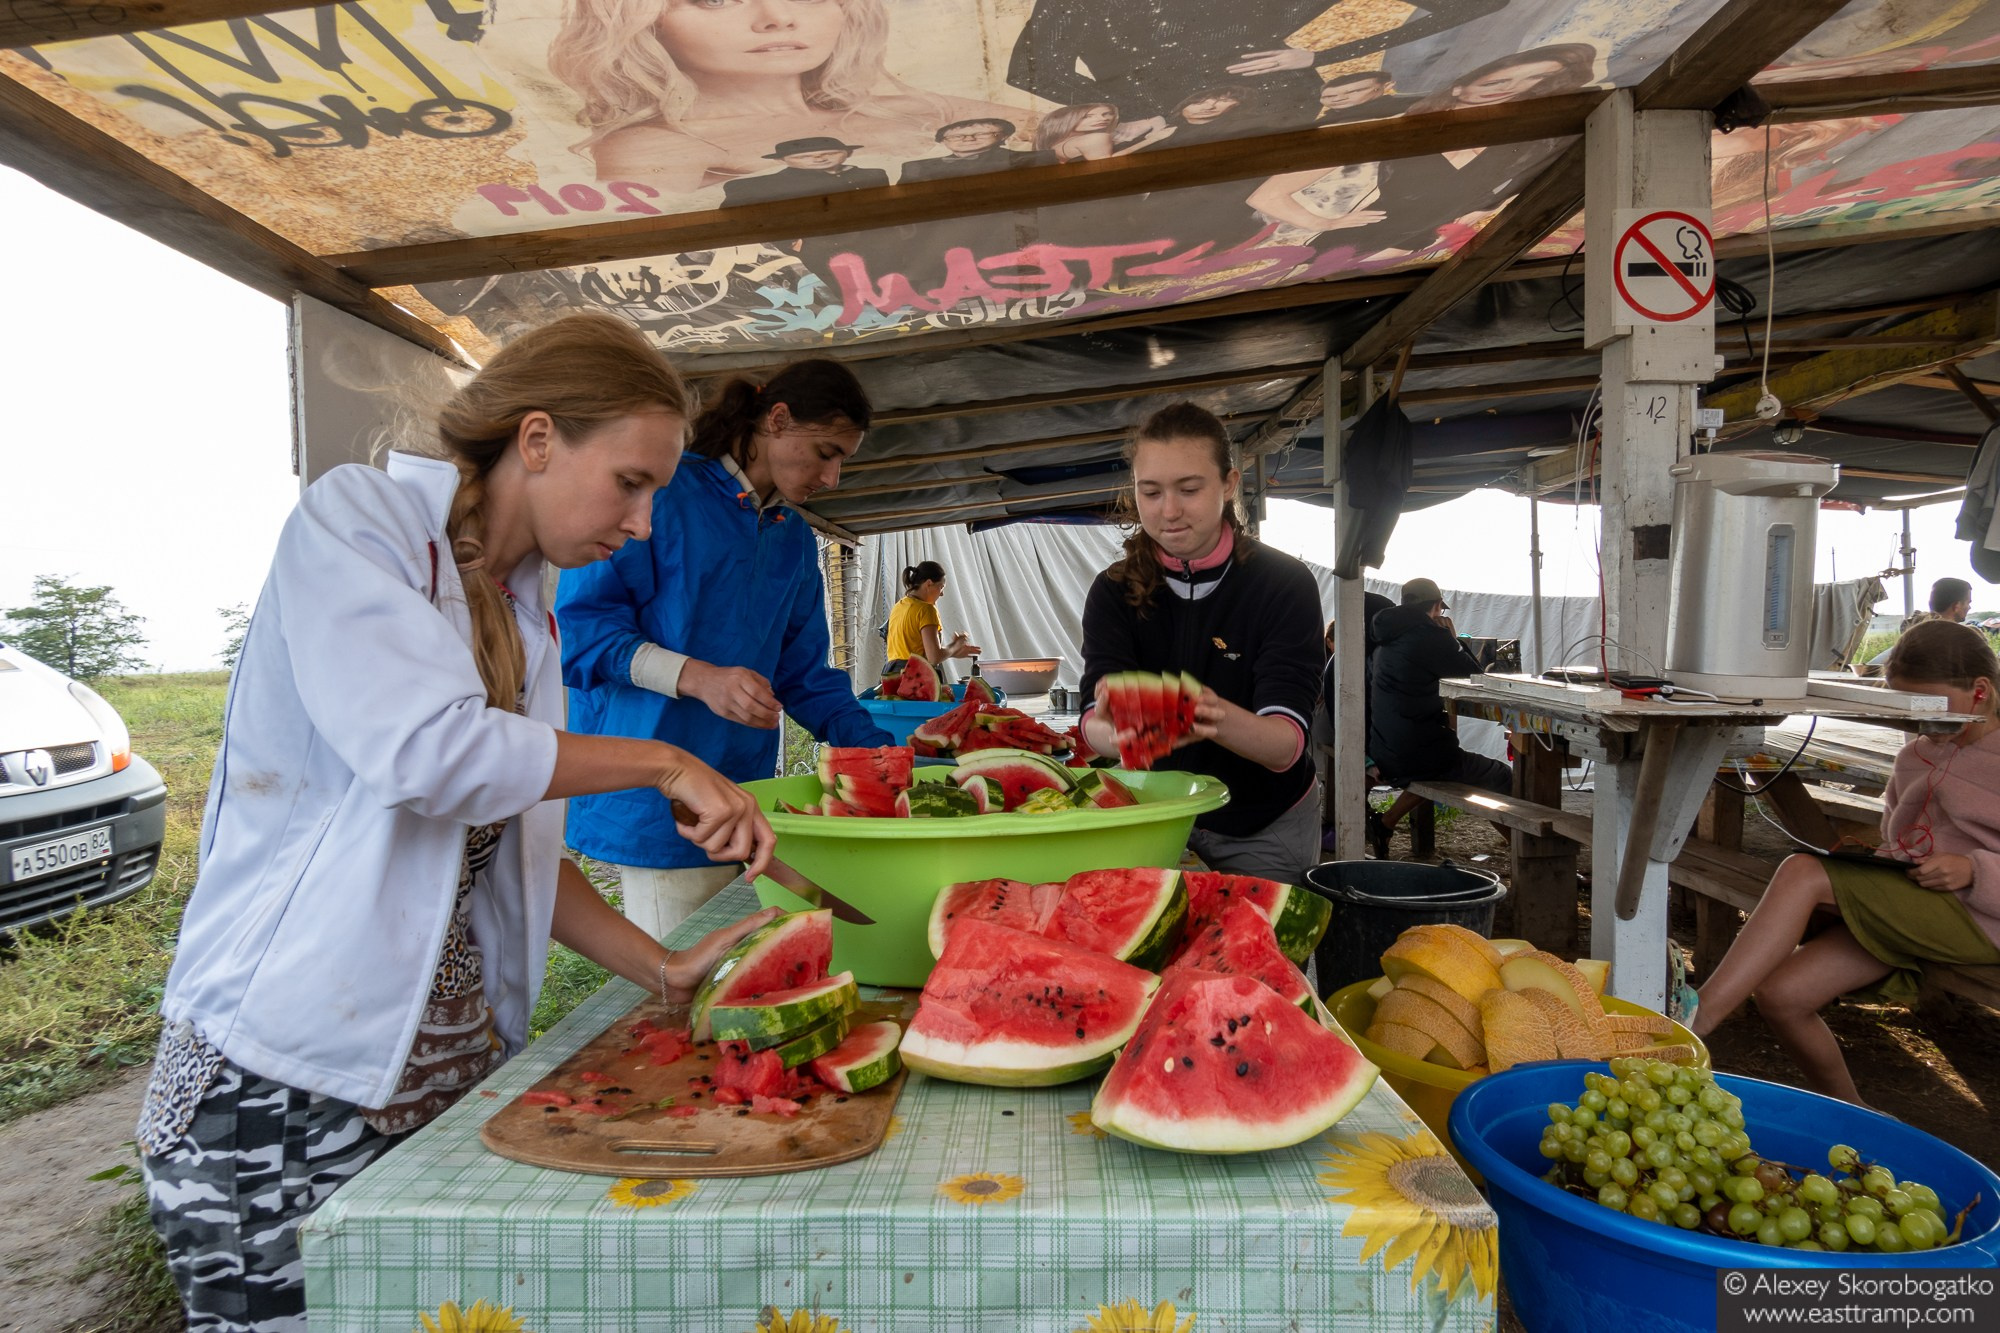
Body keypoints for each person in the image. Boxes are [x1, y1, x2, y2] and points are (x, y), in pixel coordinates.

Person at [135, 313, 784, 1330]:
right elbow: (431, 756)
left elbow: (505, 846)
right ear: (535, 440)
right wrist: (664, 758)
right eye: (630, 481)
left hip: (444, 1076)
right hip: (282, 1082)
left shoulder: (529, 610)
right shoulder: (356, 523)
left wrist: (657, 969)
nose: (646, 522)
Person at [558, 359, 893, 940]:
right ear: (777, 421)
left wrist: (885, 757)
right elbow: (582, 635)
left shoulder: (792, 537)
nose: (833, 477)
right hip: (651, 798)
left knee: (736, 985)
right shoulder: (661, 492)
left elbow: (805, 676)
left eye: (843, 460)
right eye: (825, 451)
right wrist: (698, 677)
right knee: (680, 990)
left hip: (746, 795)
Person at [1691, 621, 2000, 1105]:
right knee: (1782, 995)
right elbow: (1900, 840)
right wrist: (1876, 866)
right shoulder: (1915, 755)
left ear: (1979, 692)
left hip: (1981, 917)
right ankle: (1856, 1118)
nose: (1922, 725)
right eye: (1908, 710)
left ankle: (1697, 1019)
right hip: (1919, 908)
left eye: (1930, 707)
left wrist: (1975, 870)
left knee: (1800, 872)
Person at [1079, 402, 1323, 881]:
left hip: (1263, 825)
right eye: (1150, 492)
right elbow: (1093, 723)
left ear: (1229, 484)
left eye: (1189, 489)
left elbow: (1284, 745)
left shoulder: (1283, 584)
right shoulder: (1112, 591)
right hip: (1151, 818)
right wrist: (1124, 732)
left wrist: (1202, 714)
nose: (1169, 511)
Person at [549, 0, 1015, 194]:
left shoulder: (920, 109)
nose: (776, 17)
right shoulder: (656, 145)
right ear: (644, 19)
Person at [1367, 577, 1512, 853]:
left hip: (1385, 749)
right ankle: (1522, 847)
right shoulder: (1430, 636)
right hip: (1418, 754)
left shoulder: (1386, 637)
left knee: (1443, 769)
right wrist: (1453, 638)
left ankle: (1385, 823)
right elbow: (1473, 676)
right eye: (1439, 610)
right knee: (1501, 776)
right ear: (1435, 606)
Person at [721, 137, 889, 206]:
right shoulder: (759, 186)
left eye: (830, 153)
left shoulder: (873, 174)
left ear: (848, 153)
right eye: (804, 157)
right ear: (780, 160)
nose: (819, 159)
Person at [886, 560, 982, 666]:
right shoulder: (926, 610)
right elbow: (934, 658)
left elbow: (913, 653)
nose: (942, 594)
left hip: (892, 674)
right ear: (929, 584)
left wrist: (952, 652)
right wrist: (955, 645)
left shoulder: (898, 606)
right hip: (914, 676)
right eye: (941, 587)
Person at [899, 118, 1033, 183]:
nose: (969, 139)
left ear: (1004, 135)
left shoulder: (1029, 159)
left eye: (981, 134)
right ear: (942, 141)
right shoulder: (914, 167)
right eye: (957, 136)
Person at [1314, 70, 1413, 125]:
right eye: (1329, 96)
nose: (1338, 99)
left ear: (1387, 86)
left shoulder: (1413, 106)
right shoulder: (1319, 123)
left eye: (1354, 91)